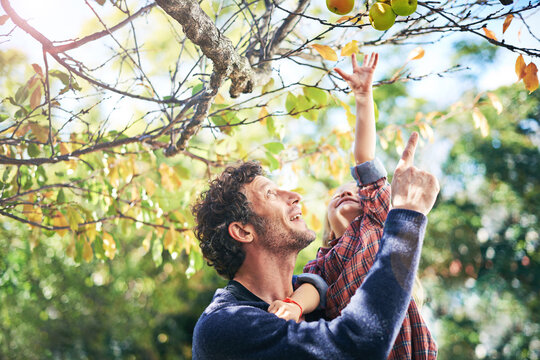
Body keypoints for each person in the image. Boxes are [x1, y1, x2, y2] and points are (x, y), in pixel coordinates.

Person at [191, 127, 440, 359]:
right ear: (243, 231)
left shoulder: (320, 295)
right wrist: (407, 218)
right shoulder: (224, 324)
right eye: (270, 194)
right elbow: (358, 344)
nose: (295, 196)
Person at [267, 53, 438, 359]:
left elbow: (364, 159)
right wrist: (293, 305)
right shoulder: (325, 258)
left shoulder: (378, 222)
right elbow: (314, 287)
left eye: (354, 191)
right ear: (325, 220)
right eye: (337, 195)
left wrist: (363, 98)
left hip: (403, 344)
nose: (347, 194)